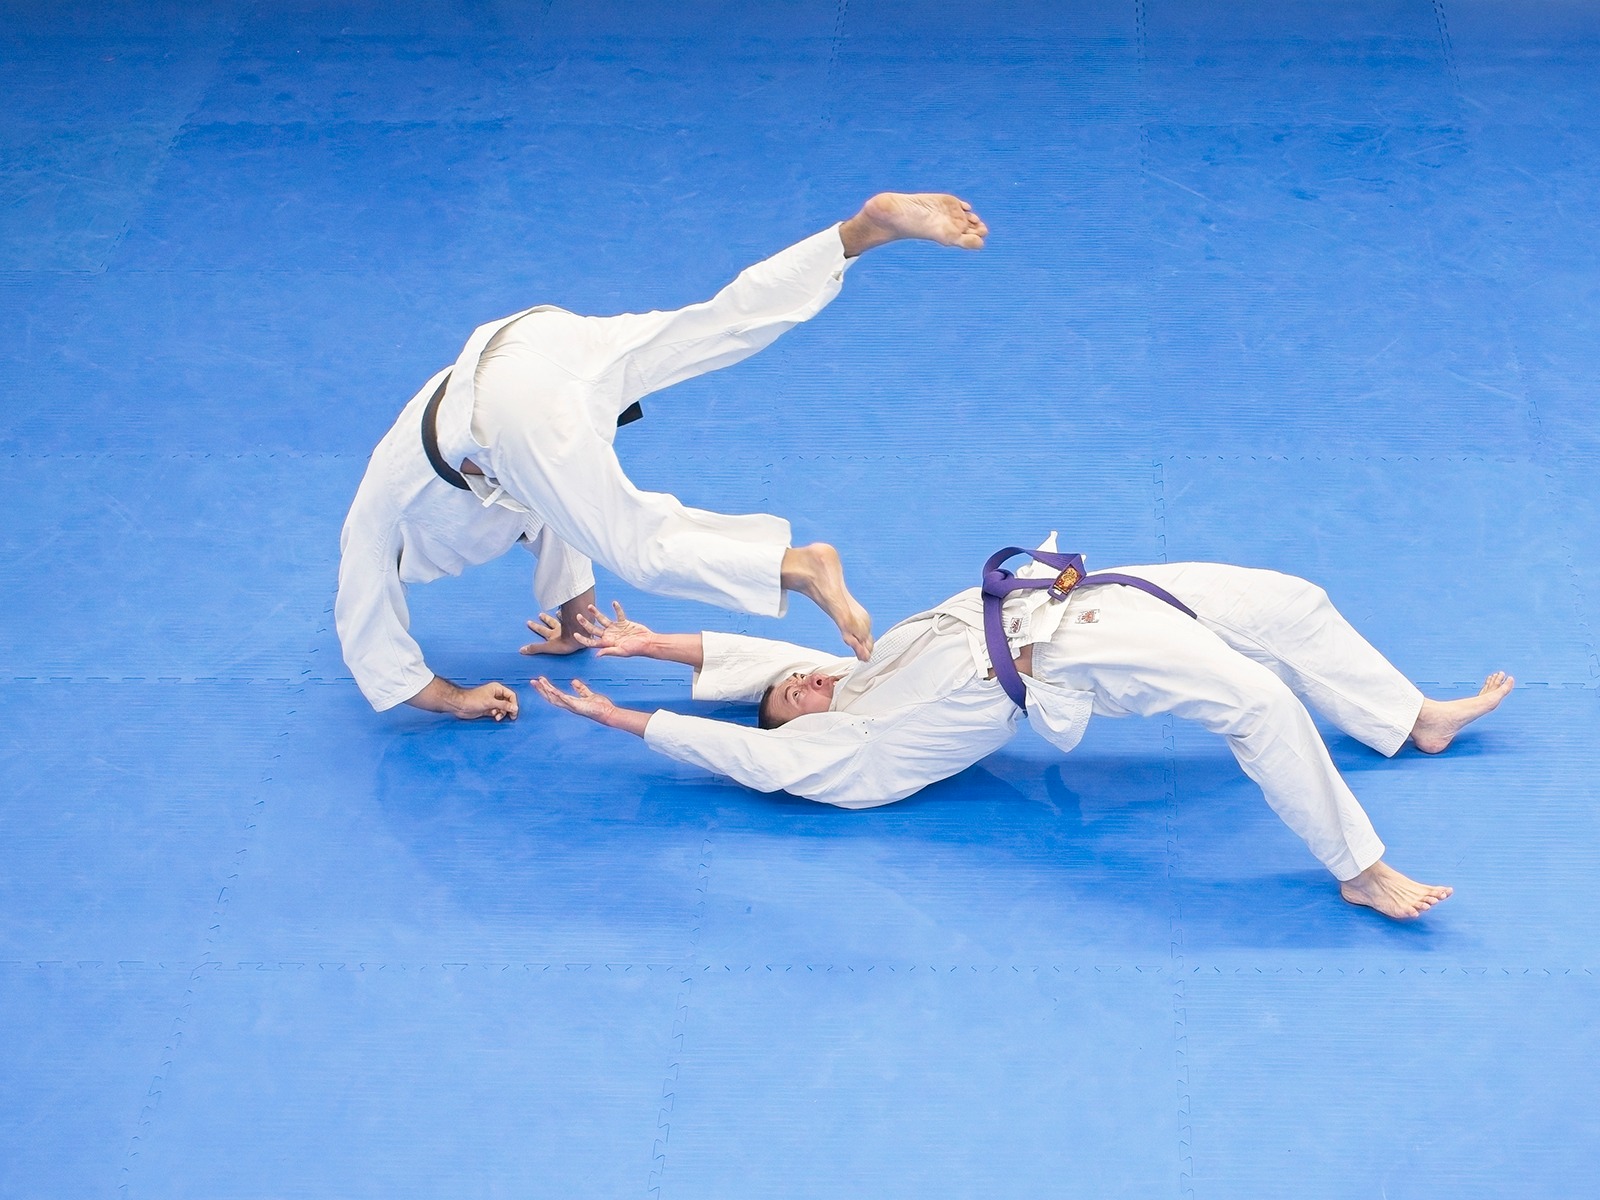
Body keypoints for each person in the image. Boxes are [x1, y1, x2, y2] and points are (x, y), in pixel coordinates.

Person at [532, 537, 1513, 920]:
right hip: (1064, 656)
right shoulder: (844, 751)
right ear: (794, 737)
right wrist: (628, 719)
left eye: (800, 677)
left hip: (1072, 587)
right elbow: (738, 740)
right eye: (792, 695)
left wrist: (646, 643)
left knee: (1289, 602)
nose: (800, 681)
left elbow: (744, 661)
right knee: (1256, 703)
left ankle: (1407, 717)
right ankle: (1358, 868)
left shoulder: (853, 674)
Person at [335, 193, 990, 720]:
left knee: (641, 549)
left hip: (512, 407)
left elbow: (375, 649)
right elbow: (556, 520)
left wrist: (456, 700)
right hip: (533, 339)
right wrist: (574, 626)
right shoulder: (521, 486)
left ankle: (799, 567)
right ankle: (853, 236)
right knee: (713, 324)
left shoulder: (380, 526)